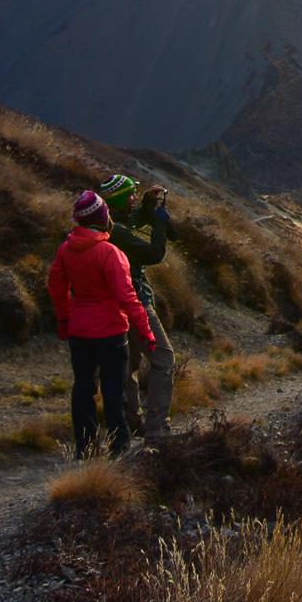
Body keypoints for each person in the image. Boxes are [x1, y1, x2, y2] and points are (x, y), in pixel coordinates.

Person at [47, 189, 155, 459]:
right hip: (111, 331)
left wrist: (64, 319)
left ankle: (85, 448)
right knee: (113, 391)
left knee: (83, 388)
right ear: (102, 217)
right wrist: (146, 330)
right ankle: (119, 447)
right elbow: (127, 297)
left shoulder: (65, 251)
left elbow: (57, 287)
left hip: (79, 330)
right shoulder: (110, 253)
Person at [100, 173, 175, 440]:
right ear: (121, 199)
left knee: (128, 364)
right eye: (131, 194)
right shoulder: (118, 233)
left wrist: (145, 205)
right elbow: (154, 253)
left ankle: (132, 421)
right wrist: (159, 225)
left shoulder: (107, 226)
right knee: (163, 359)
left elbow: (128, 222)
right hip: (136, 303)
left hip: (112, 306)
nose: (133, 198)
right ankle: (157, 428)